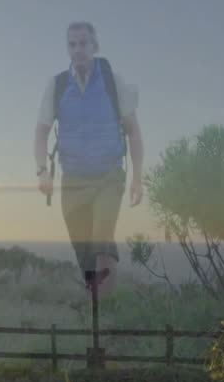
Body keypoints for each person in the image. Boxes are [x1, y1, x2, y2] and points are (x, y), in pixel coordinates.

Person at [33, 22, 143, 300]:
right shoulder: (57, 85)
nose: (78, 49)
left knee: (100, 240)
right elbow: (41, 132)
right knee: (83, 250)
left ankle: (107, 309)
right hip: (73, 180)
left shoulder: (112, 81)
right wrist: (42, 171)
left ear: (95, 46)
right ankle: (95, 305)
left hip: (108, 175)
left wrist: (137, 178)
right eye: (72, 44)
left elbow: (133, 131)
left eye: (83, 43)